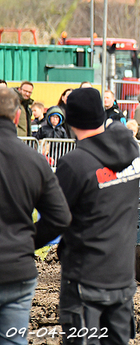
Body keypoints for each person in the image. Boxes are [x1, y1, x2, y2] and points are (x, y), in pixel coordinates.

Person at [54, 87, 140, 343]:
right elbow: (118, 131)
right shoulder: (132, 152)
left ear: (69, 120)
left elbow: (56, 217)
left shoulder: (74, 163)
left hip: (85, 280)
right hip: (123, 277)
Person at [0, 87, 71, 344]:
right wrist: (27, 241)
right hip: (18, 268)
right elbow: (61, 217)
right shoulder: (34, 160)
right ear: (17, 117)